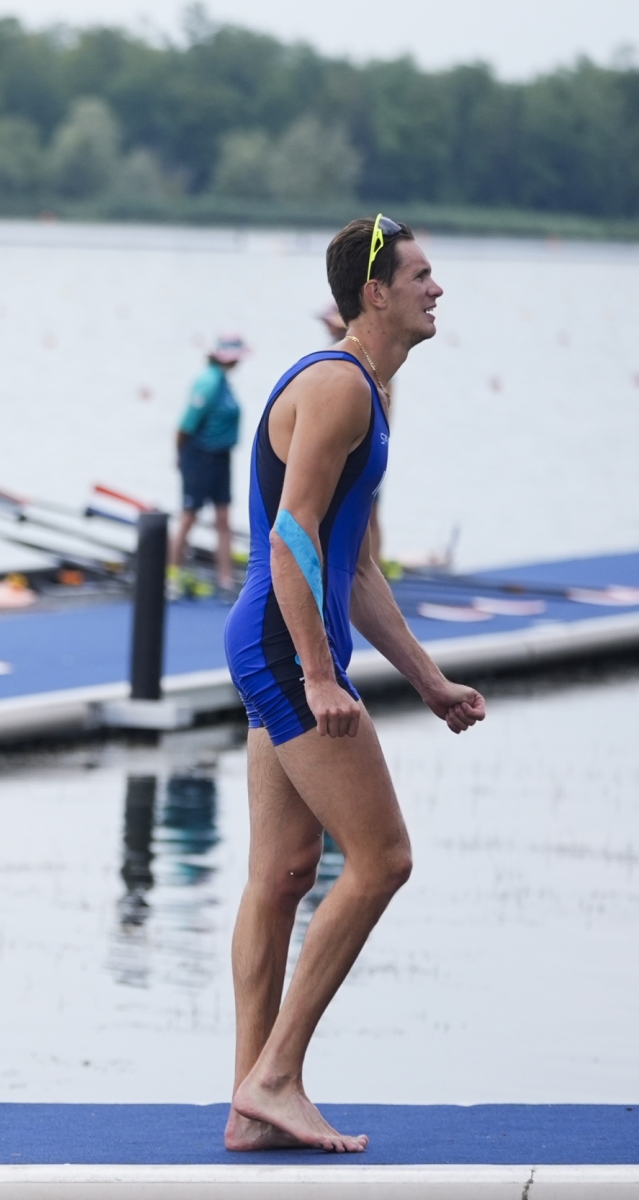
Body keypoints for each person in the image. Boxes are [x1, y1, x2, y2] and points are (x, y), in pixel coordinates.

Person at [221, 217, 485, 1153]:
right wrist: (323, 675)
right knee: (383, 859)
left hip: (284, 644)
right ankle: (277, 1074)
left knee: (286, 873)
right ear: (374, 292)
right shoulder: (337, 386)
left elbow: (356, 565)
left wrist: (428, 678)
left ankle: (248, 1108)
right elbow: (292, 533)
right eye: (419, 274)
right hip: (286, 648)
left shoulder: (366, 391)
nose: (435, 288)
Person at [170, 334, 247, 594]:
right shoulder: (208, 382)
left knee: (224, 518)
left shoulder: (223, 382)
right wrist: (180, 457)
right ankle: (172, 576)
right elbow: (184, 427)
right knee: (189, 516)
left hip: (221, 457)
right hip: (199, 455)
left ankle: (225, 580)